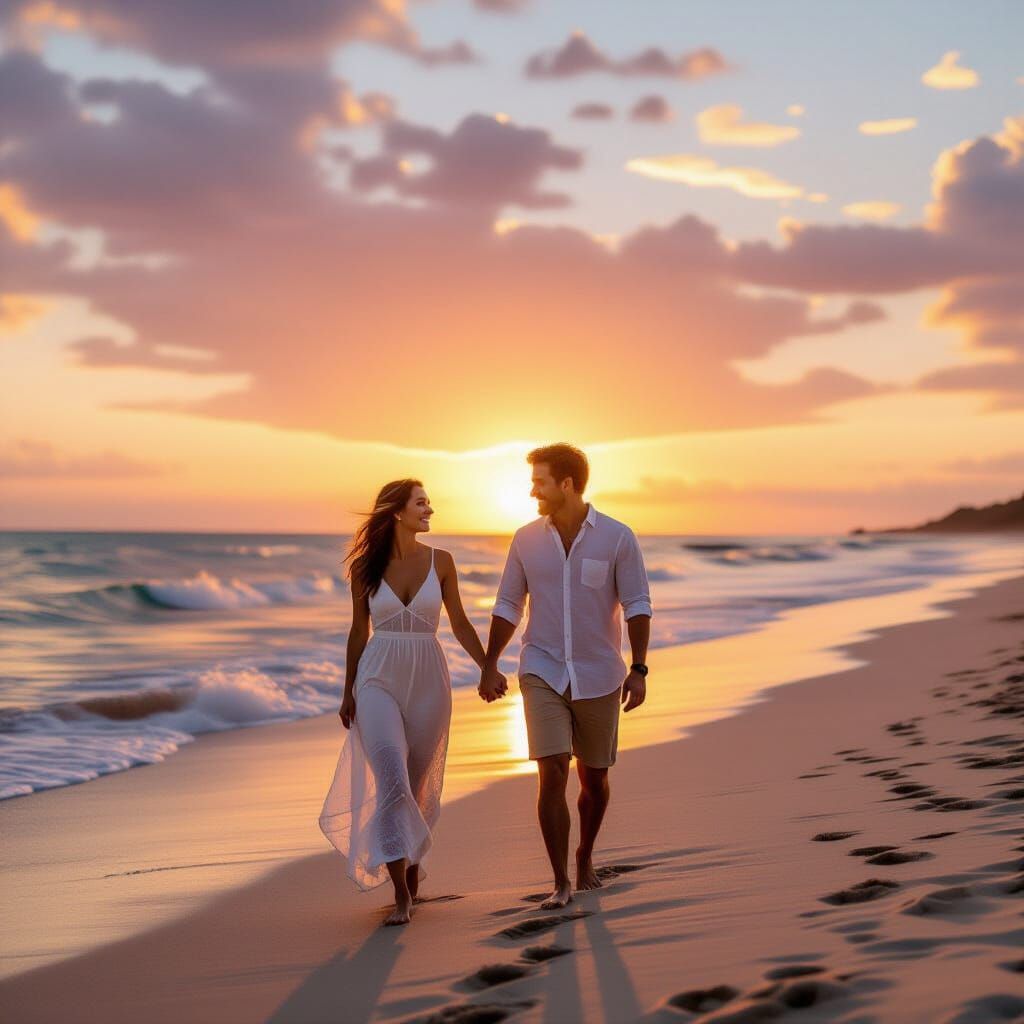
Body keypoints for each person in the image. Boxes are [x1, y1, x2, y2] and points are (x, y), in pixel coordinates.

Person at [478, 444, 652, 909]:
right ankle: (559, 882)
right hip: (542, 667)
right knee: (551, 771)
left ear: (567, 484)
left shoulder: (617, 537)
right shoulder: (525, 539)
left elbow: (637, 604)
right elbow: (508, 604)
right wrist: (490, 663)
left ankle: (585, 855)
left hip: (600, 672)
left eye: (540, 481)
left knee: (594, 780)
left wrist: (638, 668)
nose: (532, 489)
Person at [319, 479, 497, 926]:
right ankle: (400, 894)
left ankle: (412, 874)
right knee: (393, 780)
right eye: (421, 503)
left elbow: (459, 622)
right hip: (377, 676)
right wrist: (347, 690)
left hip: (428, 679)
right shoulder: (365, 567)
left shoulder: (442, 562)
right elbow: (359, 631)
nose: (430, 509)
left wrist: (487, 666)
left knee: (416, 790)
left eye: (428, 502)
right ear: (397, 511)